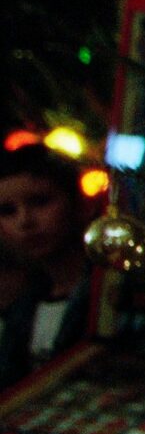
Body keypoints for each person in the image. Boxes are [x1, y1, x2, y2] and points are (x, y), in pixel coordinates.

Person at [0, 147, 98, 389]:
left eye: (40, 202)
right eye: (8, 211)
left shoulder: (105, 297)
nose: (25, 221)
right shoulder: (22, 307)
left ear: (79, 205)